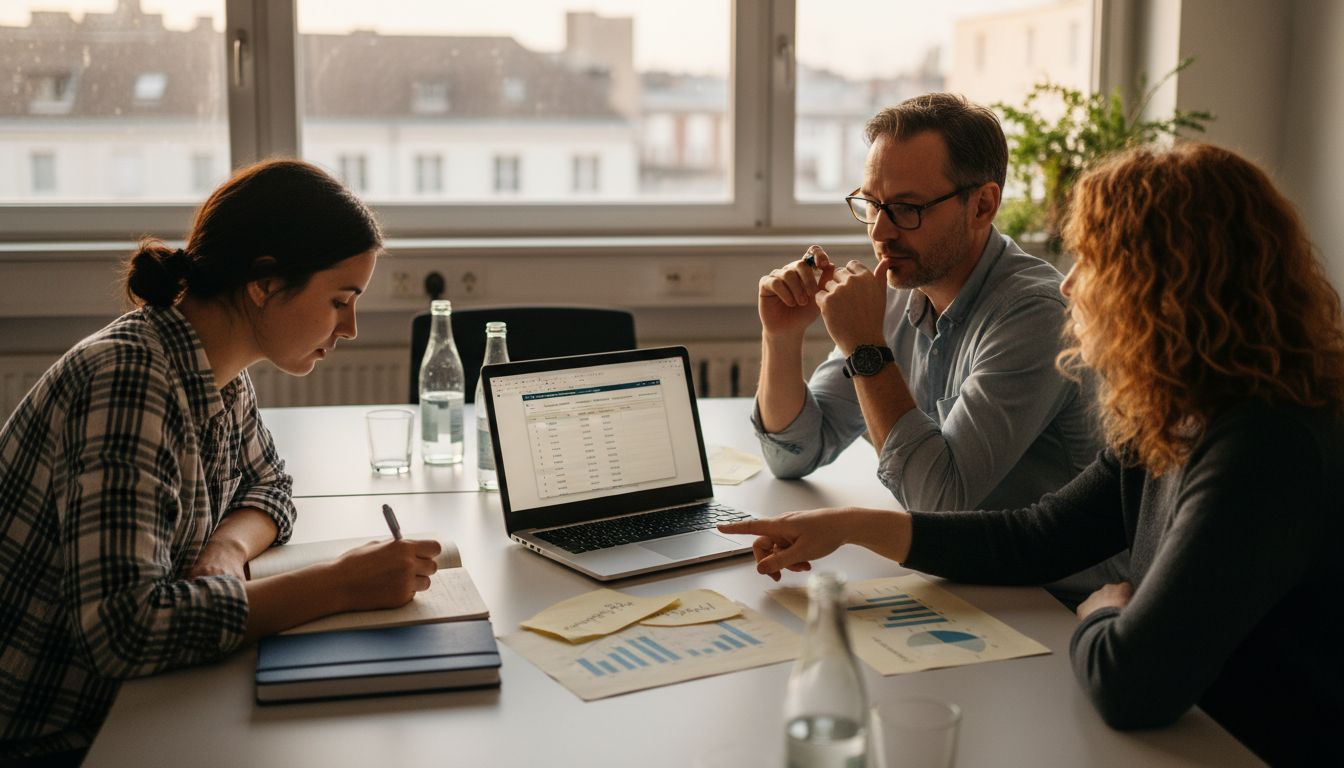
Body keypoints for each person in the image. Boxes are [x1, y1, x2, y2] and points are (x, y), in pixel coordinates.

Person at [723, 142, 1344, 765]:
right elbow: (1037, 536)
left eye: (1093, 262)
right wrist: (852, 527)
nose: (1069, 286)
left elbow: (1130, 684)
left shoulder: (1262, 446)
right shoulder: (1175, 409)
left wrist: (1100, 614)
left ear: (1169, 286)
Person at [0, 160, 442, 766]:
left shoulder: (217, 372)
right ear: (263, 284)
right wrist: (339, 584)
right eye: (340, 299)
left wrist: (229, 547)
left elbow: (271, 485)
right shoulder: (130, 381)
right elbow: (123, 632)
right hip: (51, 733)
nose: (352, 327)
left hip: (131, 704)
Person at [754, 92, 1117, 596]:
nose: (880, 231)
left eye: (906, 209)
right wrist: (782, 336)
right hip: (966, 580)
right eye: (872, 205)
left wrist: (865, 346)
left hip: (1055, 599)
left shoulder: (1035, 315)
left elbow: (939, 504)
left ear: (983, 205)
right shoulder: (907, 292)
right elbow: (793, 454)